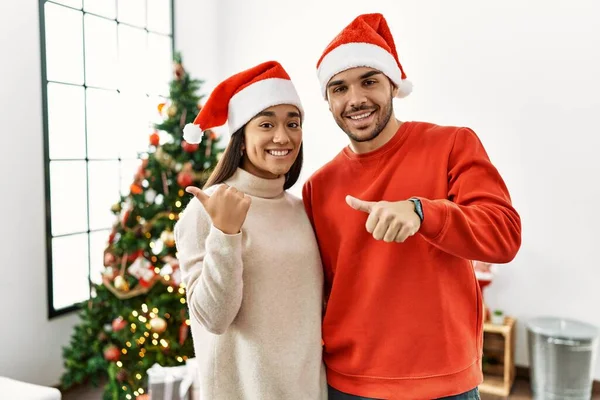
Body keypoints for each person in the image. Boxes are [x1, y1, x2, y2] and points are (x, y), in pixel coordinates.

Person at [302, 13, 522, 400]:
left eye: (368, 81)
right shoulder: (318, 187)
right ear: (328, 100)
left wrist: (422, 212)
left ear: (392, 84)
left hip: (442, 383)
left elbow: (503, 235)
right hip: (348, 383)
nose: (355, 99)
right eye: (339, 88)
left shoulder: (452, 145)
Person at [175, 61, 327, 400]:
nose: (282, 136)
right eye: (266, 124)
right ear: (241, 139)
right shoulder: (207, 208)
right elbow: (213, 319)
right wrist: (226, 235)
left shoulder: (300, 210)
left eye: (293, 123)